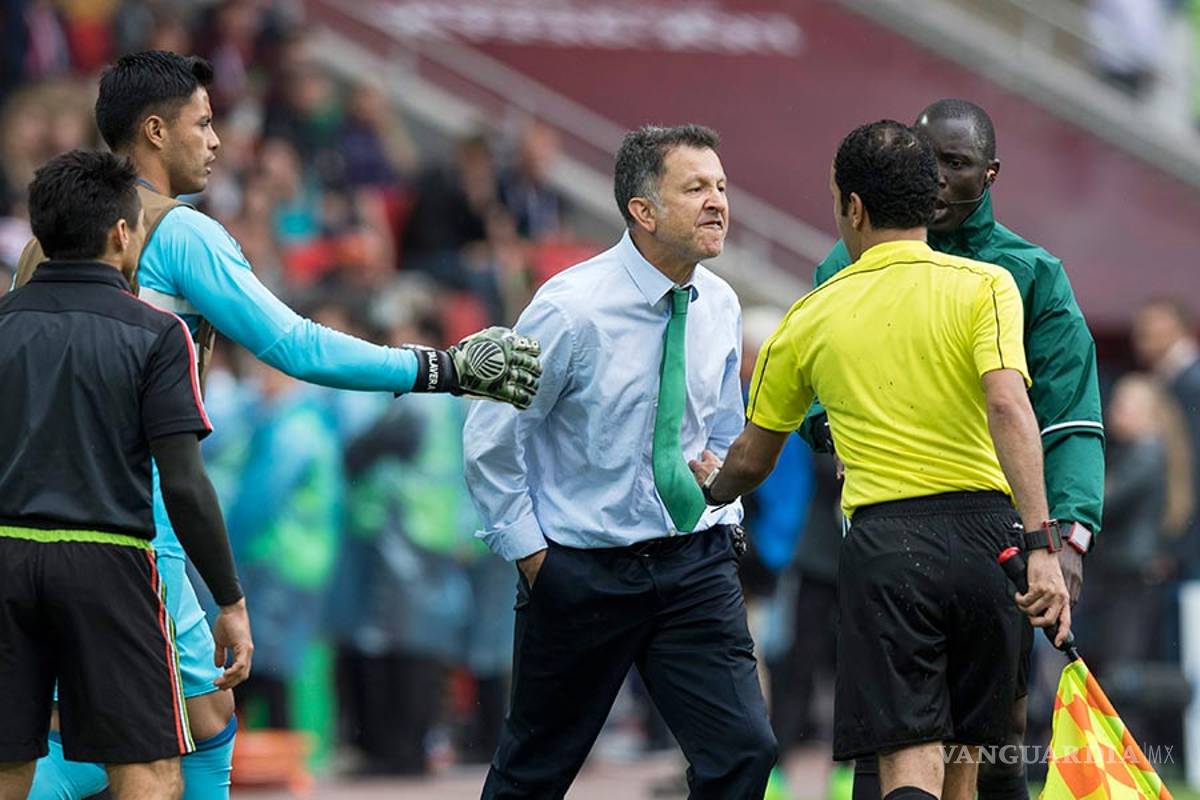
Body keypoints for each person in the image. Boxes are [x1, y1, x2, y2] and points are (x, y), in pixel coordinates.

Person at [16, 50, 541, 800]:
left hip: (32, 510)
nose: (216, 141)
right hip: (134, 517)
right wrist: (441, 368)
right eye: (204, 123)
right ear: (156, 131)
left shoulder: (40, 245)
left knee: (145, 721)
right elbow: (295, 345)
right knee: (176, 731)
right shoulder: (180, 233)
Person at [693, 120, 1071, 800]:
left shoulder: (809, 316)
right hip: (991, 543)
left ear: (854, 206)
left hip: (888, 548)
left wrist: (711, 487)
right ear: (928, 199)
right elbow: (1010, 407)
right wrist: (1042, 544)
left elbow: (752, 458)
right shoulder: (988, 286)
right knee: (965, 771)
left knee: (907, 763)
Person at [463, 123, 777, 798]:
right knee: (532, 775)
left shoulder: (721, 304)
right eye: (695, 188)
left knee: (745, 752)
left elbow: (722, 427)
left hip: (694, 566)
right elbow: (491, 435)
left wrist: (722, 514)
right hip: (583, 571)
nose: (718, 202)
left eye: (721, 187)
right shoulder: (569, 309)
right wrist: (534, 558)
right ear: (643, 210)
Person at [802, 98, 1103, 800]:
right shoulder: (843, 263)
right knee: (891, 741)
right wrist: (840, 428)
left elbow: (1067, 418)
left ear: (991, 174)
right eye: (925, 158)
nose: (937, 177)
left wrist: (1068, 537)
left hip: (996, 540)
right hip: (889, 533)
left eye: (957, 163)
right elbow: (815, 402)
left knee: (996, 740)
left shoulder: (1030, 273)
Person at [0, 150, 250, 800]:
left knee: (9, 765)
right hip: (109, 564)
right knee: (150, 770)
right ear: (120, 232)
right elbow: (185, 484)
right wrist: (229, 599)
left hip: (6, 557)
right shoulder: (155, 334)